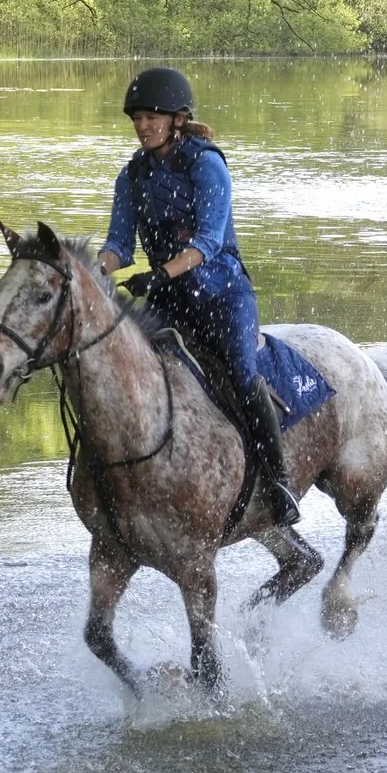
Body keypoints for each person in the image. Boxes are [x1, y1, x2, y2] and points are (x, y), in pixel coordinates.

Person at [97, 66, 299, 528]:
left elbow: (208, 242)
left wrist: (159, 274)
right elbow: (118, 246)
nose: (143, 126)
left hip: (221, 294)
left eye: (151, 117)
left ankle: (279, 478)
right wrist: (90, 273)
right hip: (170, 301)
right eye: (137, 119)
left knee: (244, 375)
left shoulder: (206, 163)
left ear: (178, 120)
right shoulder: (132, 176)